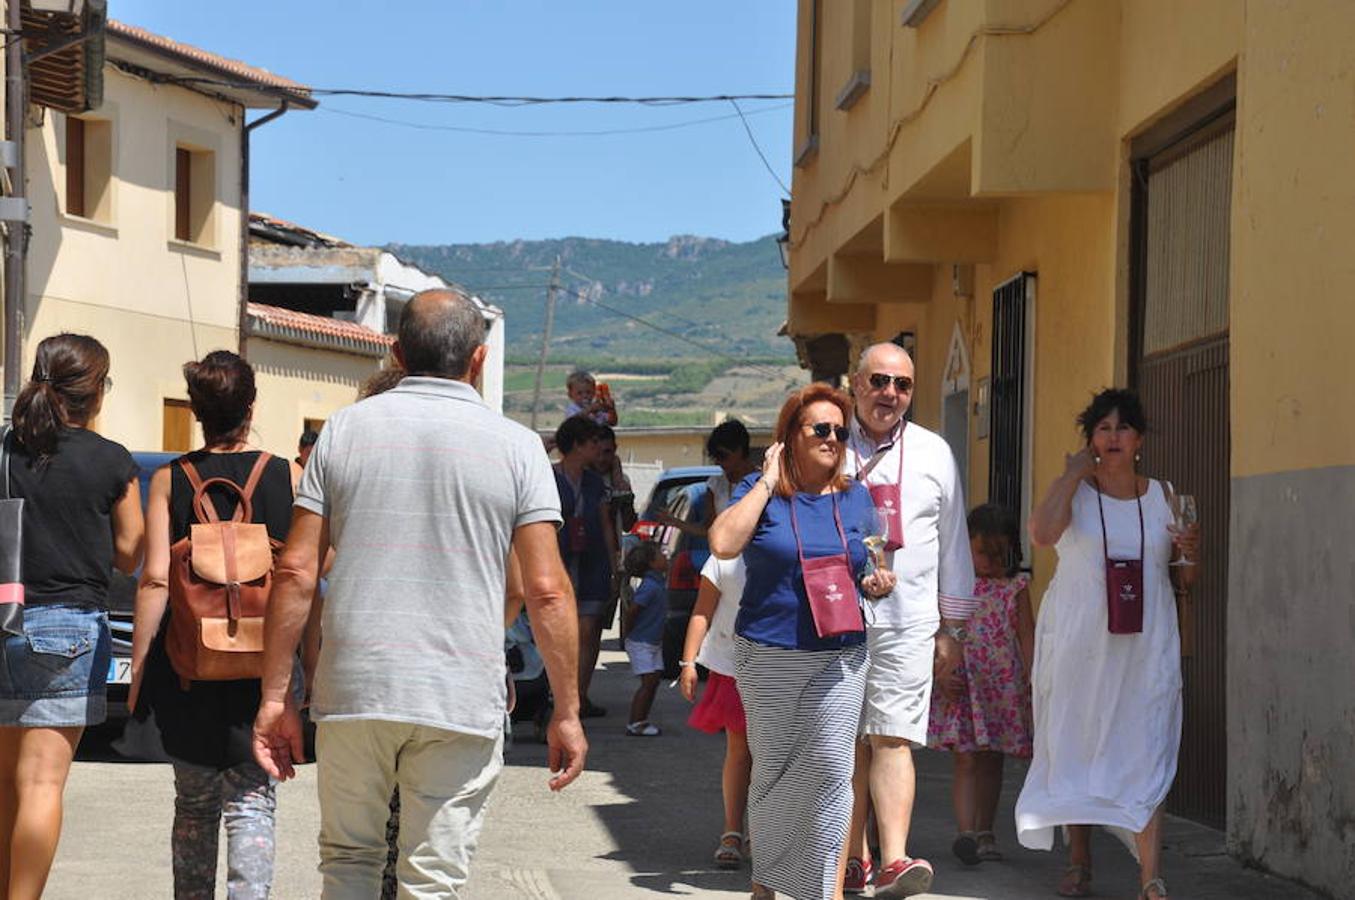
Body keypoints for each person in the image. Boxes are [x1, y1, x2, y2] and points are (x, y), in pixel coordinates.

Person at [251, 290, 587, 899]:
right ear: (479, 360)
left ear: (399, 353)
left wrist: (277, 695)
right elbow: (545, 589)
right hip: (459, 692)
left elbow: (296, 571)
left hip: (356, 685)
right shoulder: (517, 447)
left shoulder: (344, 431)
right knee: (432, 878)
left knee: (348, 862)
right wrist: (566, 708)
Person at [709, 383, 896, 900]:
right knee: (776, 771)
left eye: (840, 430)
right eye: (820, 428)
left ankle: (827, 892)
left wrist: (878, 582)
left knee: (834, 771)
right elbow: (723, 543)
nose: (833, 438)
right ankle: (766, 886)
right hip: (768, 651)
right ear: (790, 436)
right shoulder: (759, 488)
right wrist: (768, 480)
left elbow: (869, 565)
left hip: (840, 652)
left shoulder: (857, 497)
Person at [126, 350, 300, 899]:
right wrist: (309, 668)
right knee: (253, 803)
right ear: (251, 406)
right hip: (262, 673)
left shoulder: (170, 479)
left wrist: (136, 665)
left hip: (187, 669)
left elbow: (155, 580)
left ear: (197, 411)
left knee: (194, 805)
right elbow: (302, 576)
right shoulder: (286, 475)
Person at [1015, 389, 1197, 900]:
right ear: (1091, 440)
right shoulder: (1075, 490)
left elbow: (1186, 577)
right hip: (1080, 637)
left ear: (1139, 439)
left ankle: (1150, 877)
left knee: (1147, 743)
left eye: (1122, 428)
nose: (1112, 437)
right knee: (1080, 740)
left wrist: (1191, 553)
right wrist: (1072, 474)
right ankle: (1079, 860)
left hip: (1145, 637)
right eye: (1102, 428)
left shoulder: (1163, 495)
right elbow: (1043, 535)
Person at [0, 333, 144, 899]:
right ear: (97, 391)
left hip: (4, 616)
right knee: (41, 784)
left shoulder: (5, 449)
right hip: (67, 627)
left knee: (7, 785)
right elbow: (130, 552)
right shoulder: (110, 459)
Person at [841, 342, 976, 898]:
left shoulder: (934, 452)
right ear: (855, 384)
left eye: (901, 384)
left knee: (893, 737)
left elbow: (954, 546)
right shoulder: (826, 443)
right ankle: (852, 857)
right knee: (844, 742)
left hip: (909, 620)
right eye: (878, 381)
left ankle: (894, 859)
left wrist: (954, 629)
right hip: (835, 619)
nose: (889, 393)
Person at [926, 503, 1034, 867]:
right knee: (966, 759)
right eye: (981, 552)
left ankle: (985, 829)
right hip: (963, 683)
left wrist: (1033, 679)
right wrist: (940, 673)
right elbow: (935, 632)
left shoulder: (1016, 587)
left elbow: (1026, 635)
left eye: (997, 553)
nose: (989, 561)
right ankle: (966, 832)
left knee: (992, 759)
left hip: (1000, 688)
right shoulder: (952, 586)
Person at [679, 550, 751, 870]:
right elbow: (702, 610)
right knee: (739, 749)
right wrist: (688, 662)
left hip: (783, 663)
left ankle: (763, 832)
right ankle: (732, 832)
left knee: (773, 754)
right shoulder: (724, 555)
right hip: (732, 663)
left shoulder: (793, 537)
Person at [553, 415, 618, 718]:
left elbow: (606, 523)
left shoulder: (596, 482)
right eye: (592, 442)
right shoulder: (549, 477)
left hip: (592, 563)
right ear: (577, 445)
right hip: (558, 563)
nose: (597, 447)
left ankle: (581, 695)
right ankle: (557, 696)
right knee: (559, 632)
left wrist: (614, 565)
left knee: (589, 630)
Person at [659, 418, 758, 538]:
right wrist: (677, 523)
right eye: (715, 457)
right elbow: (710, 531)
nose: (717, 462)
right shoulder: (715, 485)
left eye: (722, 456)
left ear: (739, 450)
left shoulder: (764, 483)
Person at [621, 543, 668, 737]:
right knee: (648, 683)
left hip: (652, 641)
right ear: (651, 563)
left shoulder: (657, 583)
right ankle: (635, 722)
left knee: (653, 681)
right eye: (660, 555)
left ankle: (642, 719)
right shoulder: (650, 586)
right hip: (642, 642)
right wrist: (627, 633)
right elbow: (632, 611)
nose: (665, 557)